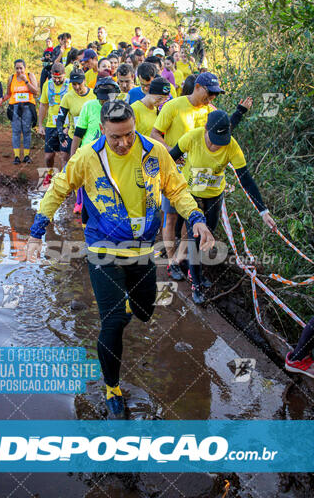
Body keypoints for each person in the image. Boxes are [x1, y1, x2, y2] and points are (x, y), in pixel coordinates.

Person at [27, 100, 214, 418]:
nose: (123, 142)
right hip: (103, 248)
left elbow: (178, 189)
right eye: (115, 137)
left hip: (141, 250)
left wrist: (196, 217)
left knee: (144, 311)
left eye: (128, 134)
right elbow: (59, 188)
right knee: (112, 321)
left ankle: (130, 305)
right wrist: (37, 229)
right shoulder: (88, 157)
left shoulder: (155, 152)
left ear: (134, 127)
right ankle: (112, 388)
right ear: (102, 130)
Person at [150, 72, 251, 280]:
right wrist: (172, 152)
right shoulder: (173, 106)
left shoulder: (210, 111)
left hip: (196, 178)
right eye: (209, 92)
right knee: (170, 217)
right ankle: (170, 262)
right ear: (197, 87)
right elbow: (154, 134)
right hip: (174, 170)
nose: (212, 97)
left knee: (192, 219)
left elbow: (224, 131)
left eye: (215, 95)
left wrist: (239, 112)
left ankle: (180, 258)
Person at [169, 109, 277, 303]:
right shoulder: (192, 138)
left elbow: (246, 180)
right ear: (206, 129)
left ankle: (185, 265)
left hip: (214, 195)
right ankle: (197, 285)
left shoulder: (231, 146)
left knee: (209, 233)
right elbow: (169, 156)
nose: (217, 146)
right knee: (196, 237)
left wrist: (264, 211)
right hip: (191, 196)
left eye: (221, 142)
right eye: (213, 141)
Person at [56, 69, 95, 214]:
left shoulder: (93, 95)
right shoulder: (67, 97)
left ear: (84, 81)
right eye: (74, 85)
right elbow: (60, 118)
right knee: (72, 163)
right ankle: (76, 198)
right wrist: (61, 133)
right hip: (75, 135)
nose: (77, 87)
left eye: (79, 84)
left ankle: (89, 197)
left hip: (90, 136)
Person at [0, 59, 38, 164]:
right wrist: (1, 100)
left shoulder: (30, 76)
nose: (19, 70)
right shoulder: (11, 78)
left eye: (21, 68)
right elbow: (8, 94)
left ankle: (26, 156)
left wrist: (26, 81)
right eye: (17, 68)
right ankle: (16, 156)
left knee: (26, 131)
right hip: (14, 107)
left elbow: (35, 92)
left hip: (27, 106)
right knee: (16, 132)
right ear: (14, 68)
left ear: (25, 68)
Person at [70, 78, 121, 156]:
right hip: (88, 152)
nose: (104, 102)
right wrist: (72, 156)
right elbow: (78, 134)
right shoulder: (89, 106)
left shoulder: (121, 109)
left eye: (108, 100)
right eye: (102, 100)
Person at [38, 63, 70, 186]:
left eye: (59, 77)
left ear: (64, 75)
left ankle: (63, 181)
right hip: (51, 125)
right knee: (48, 156)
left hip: (65, 125)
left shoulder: (70, 86)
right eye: (54, 77)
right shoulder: (47, 85)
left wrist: (69, 126)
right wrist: (40, 125)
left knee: (64, 155)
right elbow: (43, 104)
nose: (56, 80)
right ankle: (49, 174)